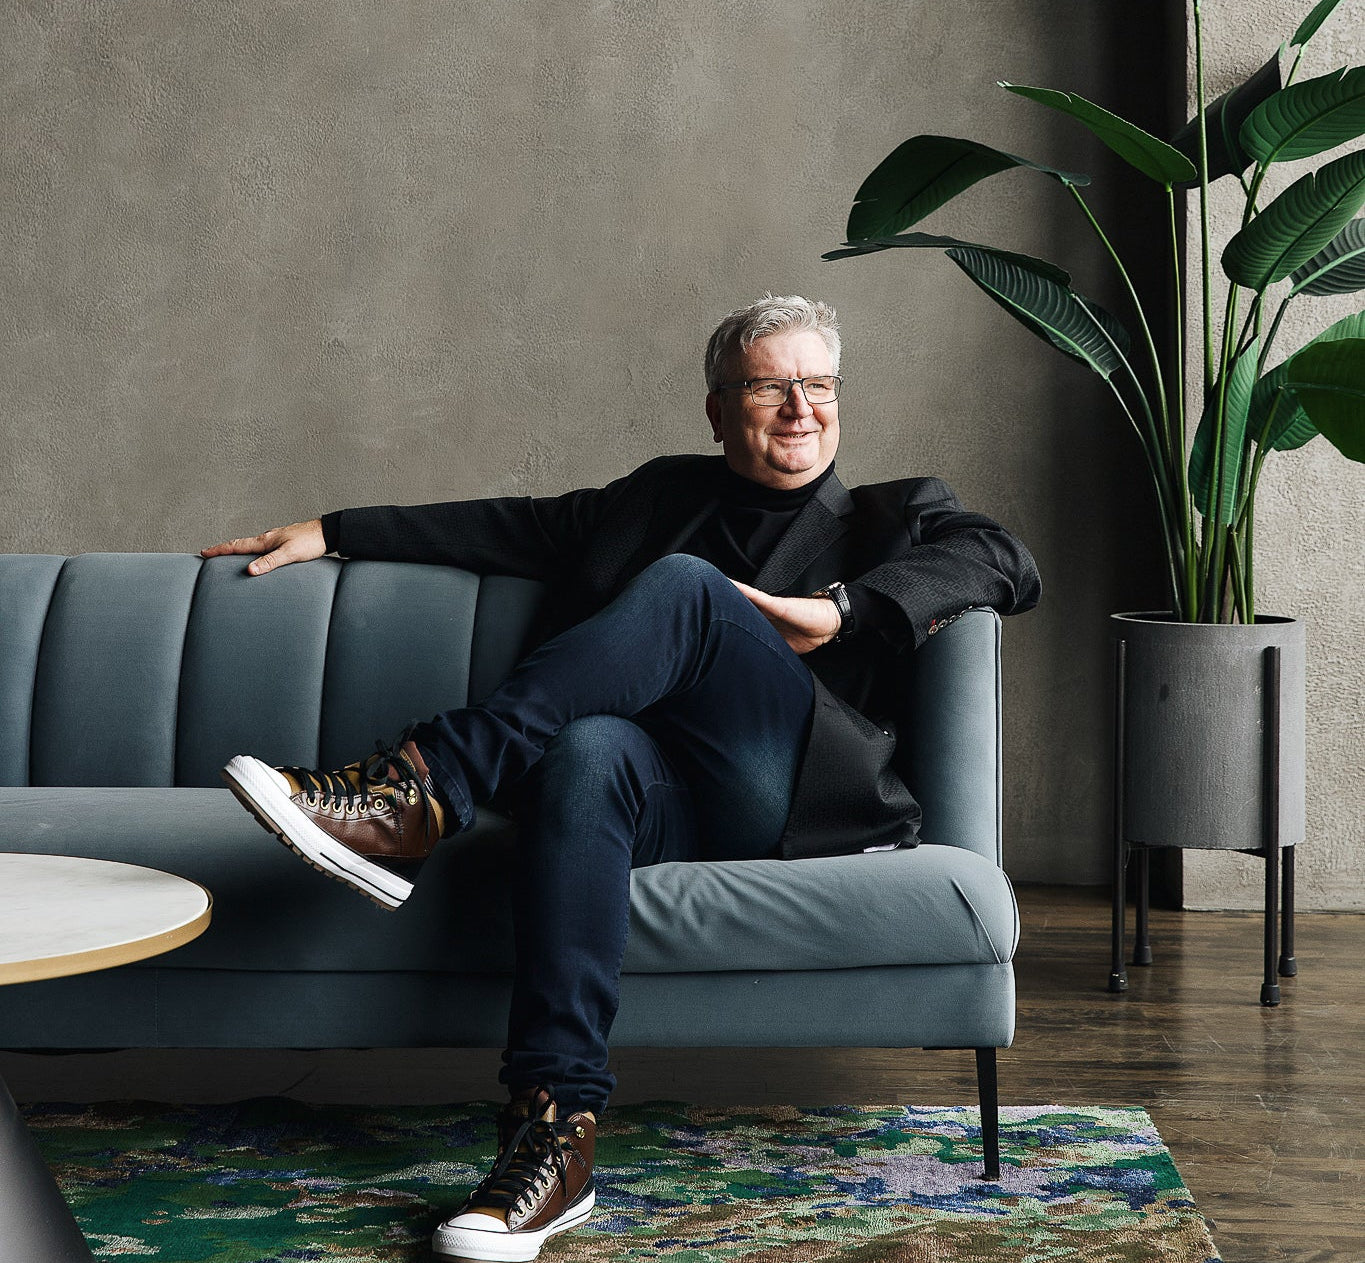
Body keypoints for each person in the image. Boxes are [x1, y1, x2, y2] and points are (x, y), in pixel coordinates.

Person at [202, 294, 1041, 1262]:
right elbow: (508, 525)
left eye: (819, 385)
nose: (800, 409)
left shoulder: (894, 514)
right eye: (769, 387)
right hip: (656, 799)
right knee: (588, 750)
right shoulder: (655, 500)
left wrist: (844, 611)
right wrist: (334, 527)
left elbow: (1007, 561)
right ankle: (553, 1136)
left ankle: (423, 788)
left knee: (687, 586)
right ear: (718, 409)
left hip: (790, 792)